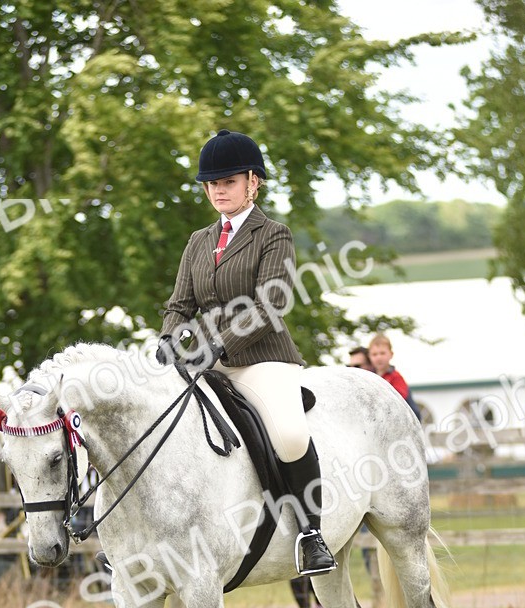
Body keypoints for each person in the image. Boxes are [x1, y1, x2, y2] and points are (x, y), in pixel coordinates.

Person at [155, 128, 336, 577]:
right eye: (212, 183)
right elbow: (179, 305)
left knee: (290, 435)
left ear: (253, 182)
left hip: (263, 358)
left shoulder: (273, 234)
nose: (218, 190)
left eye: (228, 181)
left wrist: (218, 345)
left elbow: (270, 304)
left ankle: (311, 534)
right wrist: (169, 339)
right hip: (206, 360)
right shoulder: (198, 241)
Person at [367, 334, 422, 421]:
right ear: (369, 356)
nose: (379, 357)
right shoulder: (369, 377)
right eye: (374, 354)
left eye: (382, 353)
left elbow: (398, 400)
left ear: (391, 354)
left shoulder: (396, 377)